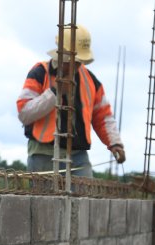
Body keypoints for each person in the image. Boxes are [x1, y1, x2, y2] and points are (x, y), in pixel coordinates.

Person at [16, 24, 125, 177]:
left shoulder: (90, 81)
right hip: (44, 153)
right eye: (75, 60)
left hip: (77, 154)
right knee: (45, 200)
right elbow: (24, 113)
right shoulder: (40, 72)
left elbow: (103, 116)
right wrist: (56, 92)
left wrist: (115, 143)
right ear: (62, 54)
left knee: (85, 198)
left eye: (80, 61)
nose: (78, 65)